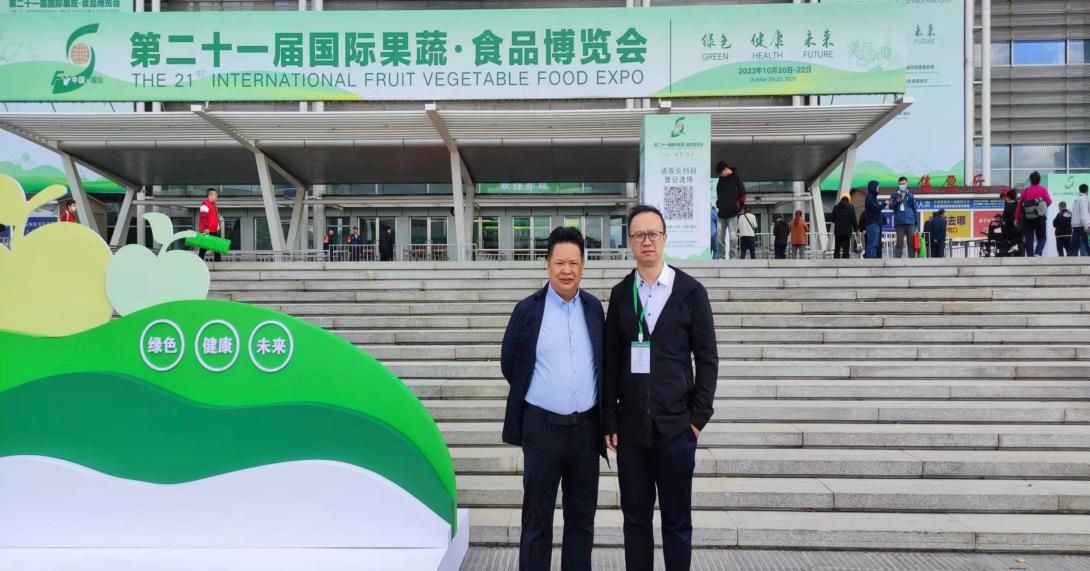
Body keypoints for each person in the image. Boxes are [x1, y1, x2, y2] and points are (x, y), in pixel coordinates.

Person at [603, 205, 718, 571]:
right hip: (632, 431)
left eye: (653, 234)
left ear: (665, 238)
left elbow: (707, 358)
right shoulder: (621, 294)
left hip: (676, 429)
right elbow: (610, 361)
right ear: (630, 242)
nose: (647, 241)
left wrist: (697, 419)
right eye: (639, 235)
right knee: (635, 521)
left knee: (677, 522)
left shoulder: (690, 292)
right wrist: (610, 419)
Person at [501, 227, 605, 571]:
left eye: (574, 263)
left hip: (586, 430)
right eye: (560, 262)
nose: (567, 270)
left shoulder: (593, 308)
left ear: (583, 266)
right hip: (542, 429)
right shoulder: (527, 310)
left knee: (581, 521)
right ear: (547, 264)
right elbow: (509, 362)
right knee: (536, 520)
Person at [714, 161, 746, 260]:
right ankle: (721, 257)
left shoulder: (735, 178)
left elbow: (742, 193)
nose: (720, 175)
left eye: (721, 173)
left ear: (725, 169)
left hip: (732, 213)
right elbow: (719, 193)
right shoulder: (721, 179)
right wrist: (718, 204)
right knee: (720, 237)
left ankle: (733, 257)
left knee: (733, 238)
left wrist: (738, 207)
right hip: (721, 214)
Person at [1017, 171, 1052, 257]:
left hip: (1027, 218)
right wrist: (1041, 208)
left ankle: (1030, 257)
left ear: (1030, 180)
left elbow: (1019, 205)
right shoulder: (1043, 190)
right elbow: (1049, 201)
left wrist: (1016, 218)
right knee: (1042, 237)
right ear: (1039, 180)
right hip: (1040, 217)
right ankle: (1038, 252)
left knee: (1029, 239)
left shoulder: (1025, 191)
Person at [889, 177, 918, 258]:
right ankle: (897, 260)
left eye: (903, 183)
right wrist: (896, 201)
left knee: (911, 242)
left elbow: (914, 209)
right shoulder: (894, 195)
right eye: (900, 184)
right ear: (898, 184)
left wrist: (916, 222)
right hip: (899, 222)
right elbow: (890, 206)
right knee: (899, 242)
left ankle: (912, 260)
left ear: (907, 184)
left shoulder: (911, 195)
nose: (902, 185)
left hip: (910, 222)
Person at [197, 188, 221, 262]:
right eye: (215, 194)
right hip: (207, 230)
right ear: (210, 195)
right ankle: (199, 263)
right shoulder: (205, 205)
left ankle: (218, 263)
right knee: (204, 247)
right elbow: (203, 217)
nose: (216, 196)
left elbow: (214, 218)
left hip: (213, 230)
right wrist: (206, 228)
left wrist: (218, 227)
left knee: (217, 247)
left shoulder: (213, 205)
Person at [864, 180, 886, 259]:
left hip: (875, 223)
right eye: (877, 187)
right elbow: (875, 208)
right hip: (873, 223)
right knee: (872, 244)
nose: (878, 189)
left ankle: (873, 260)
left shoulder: (873, 197)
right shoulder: (870, 197)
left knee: (875, 244)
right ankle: (870, 260)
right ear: (873, 187)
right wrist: (884, 204)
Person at [831, 194, 857, 259]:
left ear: (841, 199)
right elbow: (853, 219)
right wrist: (856, 229)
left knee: (837, 249)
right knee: (846, 249)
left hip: (838, 232)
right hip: (847, 232)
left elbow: (832, 219)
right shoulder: (851, 207)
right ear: (849, 199)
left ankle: (835, 262)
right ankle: (845, 262)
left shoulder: (836, 207)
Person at [1072, 184, 1090, 256]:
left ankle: (1071, 260)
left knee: (1074, 246)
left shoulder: (1076, 199)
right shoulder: (1084, 198)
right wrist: (1086, 225)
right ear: (1087, 190)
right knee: (1086, 244)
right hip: (1082, 225)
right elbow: (1084, 212)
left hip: (1075, 225)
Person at [1002, 189, 1022, 256]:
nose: (1005, 199)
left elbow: (1007, 217)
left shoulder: (1008, 206)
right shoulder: (1018, 204)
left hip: (1011, 229)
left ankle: (1014, 247)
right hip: (1019, 228)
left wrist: (1005, 222)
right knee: (1020, 244)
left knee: (1014, 242)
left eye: (1006, 198)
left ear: (1008, 197)